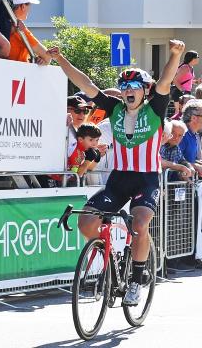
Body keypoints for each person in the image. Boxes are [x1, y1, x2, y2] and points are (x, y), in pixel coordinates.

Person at [48, 39, 186, 306]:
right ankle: (108, 257)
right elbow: (86, 85)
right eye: (124, 87)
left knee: (140, 223)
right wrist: (61, 59)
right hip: (119, 178)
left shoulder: (155, 108)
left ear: (144, 91)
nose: (127, 91)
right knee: (86, 222)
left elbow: (166, 80)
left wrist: (174, 54)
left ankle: (136, 280)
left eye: (134, 87)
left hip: (146, 177)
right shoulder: (115, 109)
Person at [8, 0, 51, 64]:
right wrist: (42, 60)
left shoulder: (0, 22)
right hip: (17, 73)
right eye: (29, 4)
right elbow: (47, 56)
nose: (30, 9)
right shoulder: (20, 28)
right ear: (23, 6)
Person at [172, 51, 202, 116]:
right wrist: (182, 90)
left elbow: (187, 80)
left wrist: (196, 81)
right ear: (192, 58)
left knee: (184, 112)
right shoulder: (185, 67)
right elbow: (175, 80)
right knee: (179, 112)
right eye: (197, 57)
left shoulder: (190, 67)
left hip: (186, 92)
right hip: (180, 93)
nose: (198, 58)